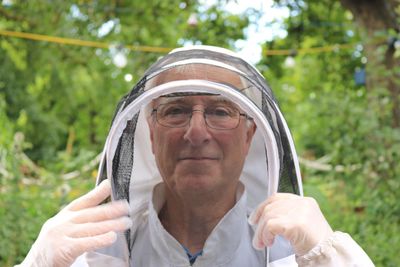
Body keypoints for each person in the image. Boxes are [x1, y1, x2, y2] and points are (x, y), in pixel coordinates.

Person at [17, 46, 375, 267]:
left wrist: (329, 255)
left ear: (251, 134)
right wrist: (38, 264)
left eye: (220, 112)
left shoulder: (294, 253)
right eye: (176, 110)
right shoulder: (96, 254)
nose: (197, 132)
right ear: (151, 134)